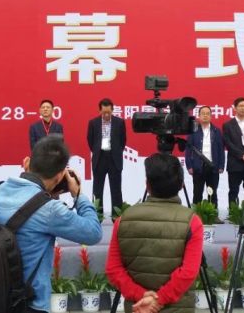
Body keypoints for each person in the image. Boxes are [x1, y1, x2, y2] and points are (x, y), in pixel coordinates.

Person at [0, 135, 102, 313]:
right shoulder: (50, 209)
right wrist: (77, 194)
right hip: (30, 303)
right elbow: (93, 233)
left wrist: (46, 194)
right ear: (59, 176)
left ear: (27, 162)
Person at [106, 152, 203, 313]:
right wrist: (159, 300)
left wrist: (141, 295)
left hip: (138, 308)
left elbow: (113, 270)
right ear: (181, 185)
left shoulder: (123, 220)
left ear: (147, 184)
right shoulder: (192, 222)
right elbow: (188, 273)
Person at [86, 98, 127, 215]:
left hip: (114, 159)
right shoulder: (93, 123)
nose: (106, 115)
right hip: (99, 158)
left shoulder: (120, 122)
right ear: (100, 111)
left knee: (116, 190)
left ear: (112, 110)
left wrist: (116, 152)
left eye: (109, 112)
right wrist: (97, 151)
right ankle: (97, 216)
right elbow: (90, 140)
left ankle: (116, 217)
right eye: (104, 112)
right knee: (97, 190)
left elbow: (123, 141)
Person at [185, 106, 225, 208]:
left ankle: (213, 214)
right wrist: (189, 166)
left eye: (208, 113)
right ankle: (196, 214)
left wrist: (221, 165)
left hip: (213, 167)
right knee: (197, 193)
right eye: (203, 113)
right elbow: (188, 150)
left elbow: (221, 150)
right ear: (199, 115)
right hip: (198, 167)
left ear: (211, 116)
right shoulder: (193, 131)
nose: (205, 116)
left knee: (212, 193)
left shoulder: (216, 131)